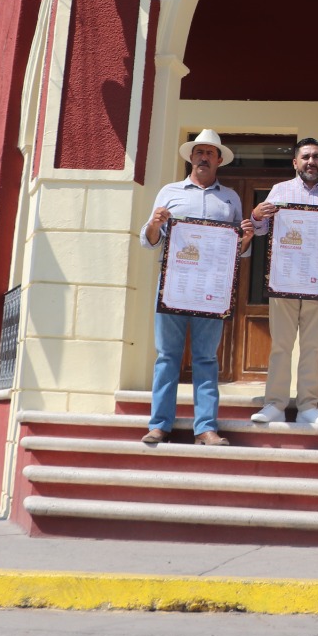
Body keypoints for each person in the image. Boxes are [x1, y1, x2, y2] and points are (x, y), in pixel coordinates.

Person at [140, 130, 254, 446]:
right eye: (199, 152)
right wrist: (153, 224)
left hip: (211, 289)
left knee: (206, 358)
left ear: (219, 160)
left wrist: (244, 240)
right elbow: (149, 242)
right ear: (191, 157)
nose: (204, 157)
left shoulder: (230, 198)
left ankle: (205, 428)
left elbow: (239, 251)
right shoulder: (169, 191)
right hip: (173, 285)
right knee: (167, 356)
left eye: (210, 153)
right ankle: (159, 424)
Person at [250, 137, 318, 427]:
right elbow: (260, 231)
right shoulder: (279, 191)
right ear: (295, 162)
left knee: (312, 346)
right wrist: (256, 215)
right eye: (306, 157)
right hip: (284, 281)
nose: (311, 161)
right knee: (281, 345)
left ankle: (308, 406)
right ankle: (274, 403)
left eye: (317, 157)